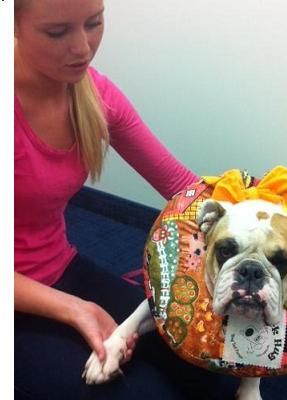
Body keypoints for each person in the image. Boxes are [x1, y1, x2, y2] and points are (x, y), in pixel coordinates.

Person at [14, 1, 215, 399]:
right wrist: (74, 309)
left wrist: (259, 215)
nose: (84, 48)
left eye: (94, 23)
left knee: (207, 363)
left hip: (60, 266)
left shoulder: (94, 93)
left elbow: (180, 186)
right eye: (57, 33)